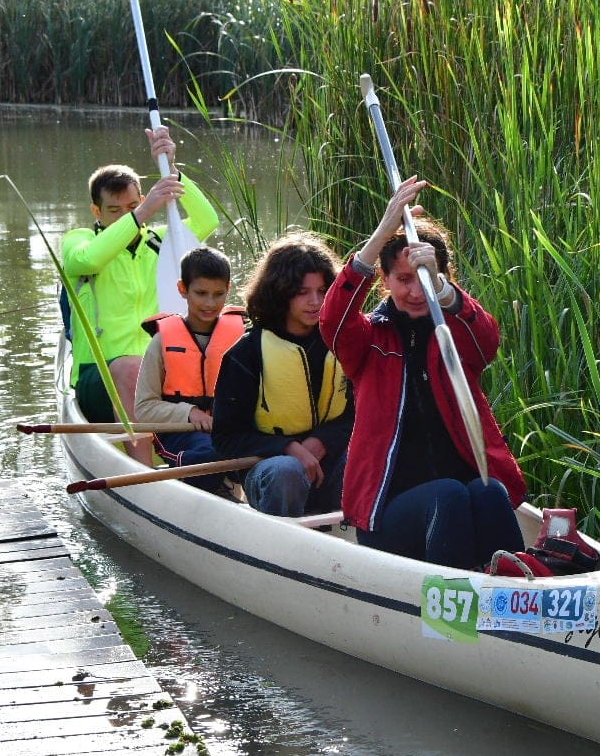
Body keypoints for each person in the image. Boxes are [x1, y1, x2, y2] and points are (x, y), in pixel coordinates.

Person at [319, 177, 526, 570]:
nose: (415, 291)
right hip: (390, 515)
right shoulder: (369, 340)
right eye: (403, 279)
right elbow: (333, 320)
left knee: (490, 492)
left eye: (425, 278)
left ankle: (517, 592)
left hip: (458, 507)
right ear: (384, 280)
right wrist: (383, 231)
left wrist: (445, 294)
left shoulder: (455, 335)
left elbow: (487, 341)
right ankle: (451, 607)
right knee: (448, 494)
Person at [61, 126, 220, 464]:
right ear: (96, 213)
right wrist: (144, 210)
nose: (126, 214)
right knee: (132, 368)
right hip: (98, 376)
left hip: (160, 376)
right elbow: (87, 259)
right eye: (114, 210)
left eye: (132, 204)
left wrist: (173, 170)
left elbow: (207, 220)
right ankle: (144, 472)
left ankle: (213, 468)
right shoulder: (79, 241)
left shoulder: (161, 242)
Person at [210, 232, 353, 516]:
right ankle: (285, 547)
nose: (315, 301)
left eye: (323, 291)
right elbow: (226, 438)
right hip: (271, 468)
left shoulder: (343, 343)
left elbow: (358, 416)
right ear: (280, 293)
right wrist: (288, 447)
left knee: (372, 457)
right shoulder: (246, 354)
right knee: (286, 471)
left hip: (330, 462)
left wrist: (321, 441)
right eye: (302, 292)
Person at [134, 246, 246, 491]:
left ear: (229, 290)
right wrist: (190, 412)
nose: (210, 303)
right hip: (180, 433)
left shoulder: (243, 338)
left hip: (228, 432)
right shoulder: (161, 342)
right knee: (208, 454)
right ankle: (218, 491)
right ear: (183, 289)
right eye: (201, 293)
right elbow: (143, 409)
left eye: (219, 294)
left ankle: (230, 489)